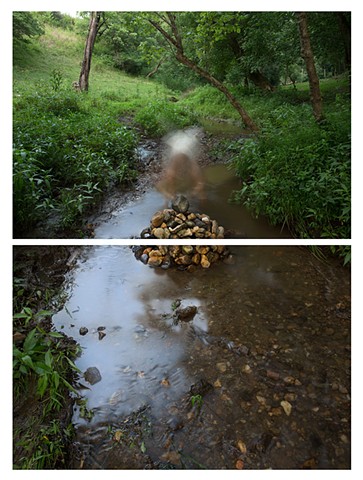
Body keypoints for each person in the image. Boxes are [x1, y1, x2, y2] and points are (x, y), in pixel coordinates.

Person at [156, 128, 205, 201]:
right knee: (171, 176)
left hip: (184, 149)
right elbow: (170, 176)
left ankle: (203, 202)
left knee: (200, 188)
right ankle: (169, 198)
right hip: (179, 149)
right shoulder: (176, 157)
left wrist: (195, 191)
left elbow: (199, 181)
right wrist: (170, 195)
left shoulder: (188, 157)